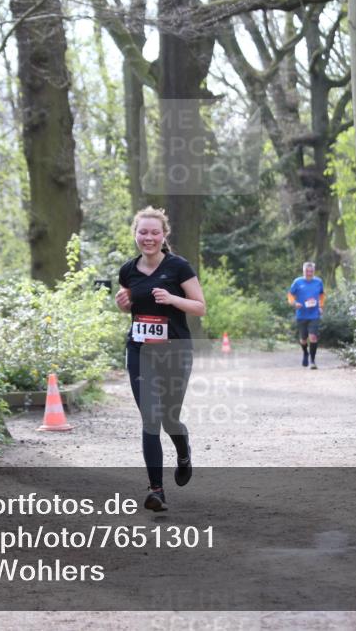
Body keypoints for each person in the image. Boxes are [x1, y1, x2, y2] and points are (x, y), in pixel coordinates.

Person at [115, 206, 206, 512]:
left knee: (169, 419)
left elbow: (199, 306)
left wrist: (172, 299)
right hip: (141, 352)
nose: (149, 237)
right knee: (151, 419)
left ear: (164, 235)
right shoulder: (127, 270)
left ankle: (183, 451)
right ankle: (156, 491)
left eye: (155, 232)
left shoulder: (178, 267)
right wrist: (122, 304)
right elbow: (133, 306)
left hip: (175, 352)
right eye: (143, 232)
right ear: (135, 234)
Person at [288, 261, 325, 369]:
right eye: (307, 271)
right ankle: (305, 353)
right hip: (302, 314)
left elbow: (322, 295)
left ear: (314, 271)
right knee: (303, 339)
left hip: (314, 314)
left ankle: (312, 361)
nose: (309, 273)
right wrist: (295, 303)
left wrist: (321, 306)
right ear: (303, 271)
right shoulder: (297, 282)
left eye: (311, 271)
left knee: (313, 337)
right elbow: (290, 295)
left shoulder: (318, 282)